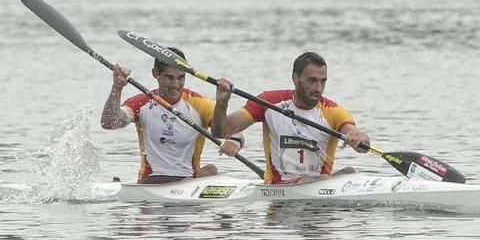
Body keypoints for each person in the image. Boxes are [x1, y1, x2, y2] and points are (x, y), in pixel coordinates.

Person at [211, 52, 369, 184]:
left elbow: (360, 141)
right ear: (295, 78)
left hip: (320, 192)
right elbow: (221, 131)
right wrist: (222, 103)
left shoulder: (333, 111)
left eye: (323, 81)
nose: (318, 88)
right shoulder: (268, 102)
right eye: (312, 80)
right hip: (280, 193)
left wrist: (360, 138)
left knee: (350, 172)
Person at [101, 47, 245, 184]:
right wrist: (117, 88)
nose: (176, 85)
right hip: (152, 182)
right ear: (155, 74)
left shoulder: (199, 104)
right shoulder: (142, 103)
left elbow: (230, 130)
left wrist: (235, 140)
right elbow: (109, 123)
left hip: (189, 183)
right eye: (169, 78)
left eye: (181, 77)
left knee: (211, 170)